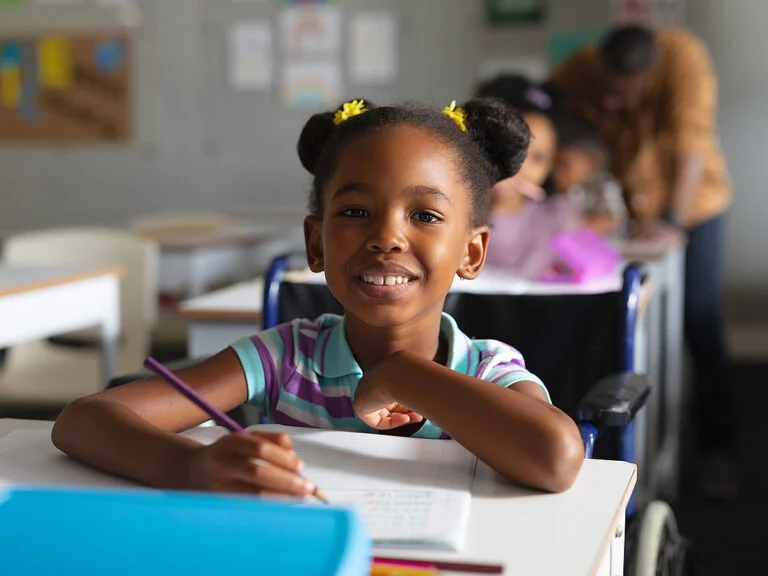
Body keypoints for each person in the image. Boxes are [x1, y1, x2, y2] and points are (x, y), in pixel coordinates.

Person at [51, 98, 584, 497]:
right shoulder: (282, 359)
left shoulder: (487, 369)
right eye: (355, 212)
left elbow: (556, 456)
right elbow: (82, 421)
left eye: (424, 215)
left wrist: (400, 375)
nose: (388, 237)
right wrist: (192, 467)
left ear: (472, 252)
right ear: (315, 242)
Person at [552, 26, 736, 496]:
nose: (611, 106)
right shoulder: (581, 69)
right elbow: (554, 129)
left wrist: (673, 218)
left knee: (698, 315)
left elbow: (690, 145)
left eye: (623, 96)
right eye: (605, 93)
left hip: (693, 207)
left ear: (648, 77)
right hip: (636, 215)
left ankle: (718, 446)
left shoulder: (684, 61)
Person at [475, 75, 582, 278]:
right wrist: (497, 207)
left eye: (538, 158)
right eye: (514, 150)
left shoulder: (556, 218)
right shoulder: (462, 213)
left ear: (550, 166)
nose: (521, 166)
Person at [551, 113, 627, 236]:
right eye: (554, 166)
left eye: (564, 166)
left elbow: (613, 220)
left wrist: (579, 226)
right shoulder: (560, 191)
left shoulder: (603, 187)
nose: (557, 173)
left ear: (590, 163)